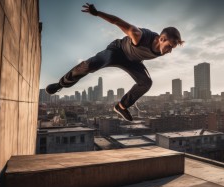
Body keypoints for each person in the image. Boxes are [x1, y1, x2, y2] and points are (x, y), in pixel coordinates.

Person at [46, 3, 184, 121]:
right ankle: (61, 84)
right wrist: (97, 13)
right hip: (117, 52)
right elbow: (116, 21)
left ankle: (121, 106)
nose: (170, 51)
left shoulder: (162, 48)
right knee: (89, 65)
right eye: (170, 46)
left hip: (133, 61)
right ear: (161, 39)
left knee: (146, 82)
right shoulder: (139, 35)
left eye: (172, 48)